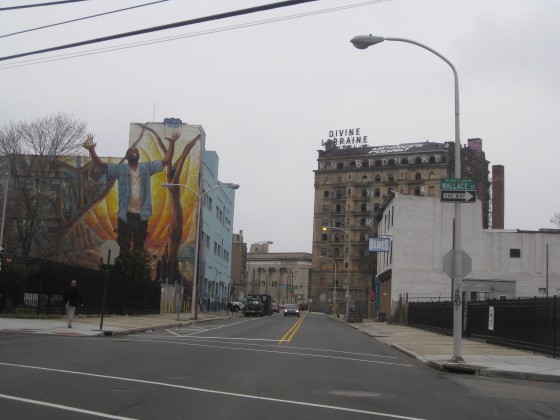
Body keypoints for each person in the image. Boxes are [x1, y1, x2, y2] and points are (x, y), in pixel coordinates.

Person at [83, 132, 179, 256]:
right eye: (131, 150)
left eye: (135, 150)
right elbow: (100, 164)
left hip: (142, 215)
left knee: (139, 245)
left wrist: (172, 143)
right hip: (125, 215)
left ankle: (137, 265)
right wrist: (91, 150)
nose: (133, 150)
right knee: (123, 245)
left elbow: (166, 160)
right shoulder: (120, 169)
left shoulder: (146, 168)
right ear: (127, 157)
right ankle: (123, 264)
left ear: (138, 156)